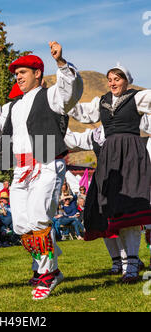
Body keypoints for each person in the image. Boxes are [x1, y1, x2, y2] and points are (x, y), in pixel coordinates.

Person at [0, 41, 83, 300]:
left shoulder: (51, 95)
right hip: (21, 170)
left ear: (37, 73)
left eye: (22, 72)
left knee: (38, 218)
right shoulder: (13, 106)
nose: (18, 77)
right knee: (23, 225)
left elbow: (72, 91)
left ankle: (49, 273)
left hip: (47, 164)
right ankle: (45, 264)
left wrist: (61, 62)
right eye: (16, 74)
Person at [67, 64, 151, 283]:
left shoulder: (138, 97)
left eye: (117, 78)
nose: (112, 83)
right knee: (114, 210)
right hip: (109, 158)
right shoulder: (101, 101)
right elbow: (81, 113)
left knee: (130, 208)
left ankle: (131, 266)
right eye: (110, 79)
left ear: (127, 80)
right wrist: (63, 101)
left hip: (131, 153)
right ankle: (125, 262)